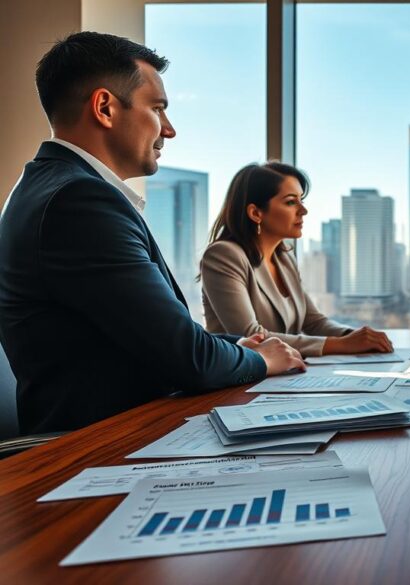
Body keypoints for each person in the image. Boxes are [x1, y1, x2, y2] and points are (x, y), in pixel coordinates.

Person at [0, 32, 305, 434]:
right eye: (158, 109)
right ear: (105, 108)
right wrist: (262, 360)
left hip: (129, 428)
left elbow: (153, 335)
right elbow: (189, 360)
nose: (169, 129)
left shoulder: (53, 187)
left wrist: (235, 348)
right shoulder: (78, 201)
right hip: (107, 443)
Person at [200, 163, 393, 357]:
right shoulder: (223, 255)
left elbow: (313, 321)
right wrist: (341, 344)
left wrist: (356, 337)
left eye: (302, 200)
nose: (303, 210)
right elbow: (250, 337)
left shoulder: (284, 259)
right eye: (291, 202)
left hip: (284, 370)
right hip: (239, 374)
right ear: (256, 213)